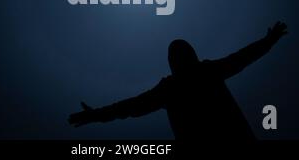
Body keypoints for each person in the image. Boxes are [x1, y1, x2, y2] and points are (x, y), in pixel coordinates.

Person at [68, 22, 288, 140]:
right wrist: (269, 40)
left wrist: (268, 41)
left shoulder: (178, 84)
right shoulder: (196, 77)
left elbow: (128, 107)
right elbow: (128, 107)